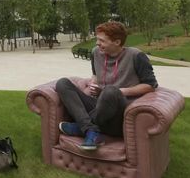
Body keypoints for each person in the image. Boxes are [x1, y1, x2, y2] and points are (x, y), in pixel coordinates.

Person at [56, 21, 158, 150]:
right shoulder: (96, 53)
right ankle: (90, 129)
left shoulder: (136, 56)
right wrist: (93, 84)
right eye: (97, 39)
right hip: (99, 105)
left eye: (102, 41)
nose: (97, 43)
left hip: (119, 114)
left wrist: (118, 92)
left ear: (117, 42)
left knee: (110, 91)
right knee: (62, 83)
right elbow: (95, 75)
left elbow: (150, 86)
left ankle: (82, 127)